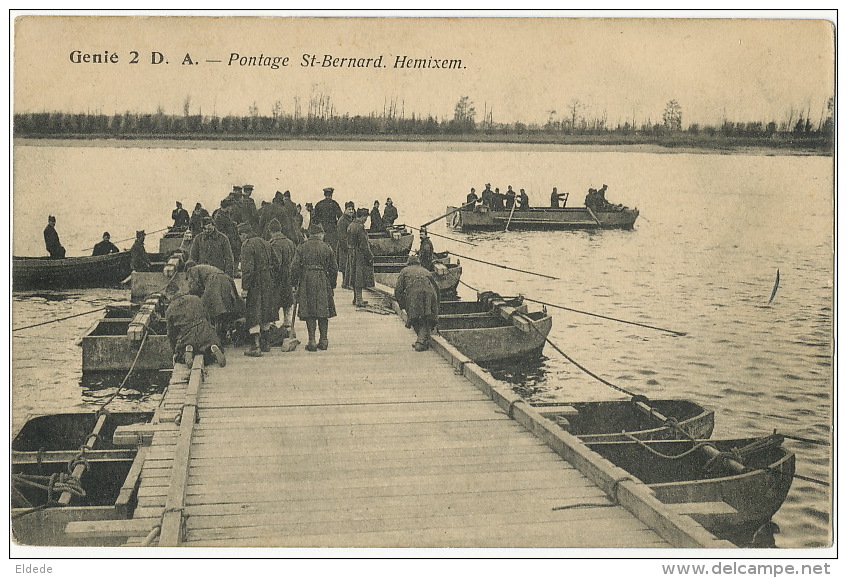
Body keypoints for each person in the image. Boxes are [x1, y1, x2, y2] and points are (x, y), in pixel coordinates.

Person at [291, 222, 338, 352]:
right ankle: (324, 340)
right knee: (324, 311)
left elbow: (294, 267)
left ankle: (311, 341)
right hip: (323, 279)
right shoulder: (327, 247)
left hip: (306, 280)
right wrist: (332, 285)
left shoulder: (302, 247)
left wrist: (294, 284)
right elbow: (334, 268)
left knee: (310, 312)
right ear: (320, 234)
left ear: (310, 234)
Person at [185, 261, 245, 344]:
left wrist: (188, 295)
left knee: (210, 310)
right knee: (223, 311)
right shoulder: (206, 268)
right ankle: (222, 337)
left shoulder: (192, 269)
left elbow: (194, 287)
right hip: (226, 280)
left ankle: (215, 339)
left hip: (215, 282)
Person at [240, 226, 279, 356]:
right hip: (268, 280)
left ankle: (255, 346)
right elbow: (276, 263)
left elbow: (247, 269)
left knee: (254, 313)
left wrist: (245, 287)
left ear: (244, 234)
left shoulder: (247, 245)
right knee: (266, 311)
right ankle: (266, 344)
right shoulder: (266, 243)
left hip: (255, 281)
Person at [165, 289, 227, 367]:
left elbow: (171, 334)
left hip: (187, 336)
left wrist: (175, 350)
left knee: (180, 355)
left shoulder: (170, 308)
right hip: (205, 331)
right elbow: (207, 315)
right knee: (207, 350)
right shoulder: (195, 298)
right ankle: (212, 347)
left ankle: (187, 349)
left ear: (169, 295)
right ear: (179, 290)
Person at [394, 253, 440, 352]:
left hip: (413, 297)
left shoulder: (404, 271)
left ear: (408, 263)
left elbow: (398, 290)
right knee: (426, 318)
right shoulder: (426, 271)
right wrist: (436, 306)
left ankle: (420, 343)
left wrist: (402, 305)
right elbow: (436, 289)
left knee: (415, 318)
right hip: (430, 295)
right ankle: (423, 341)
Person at [267, 218, 297, 330]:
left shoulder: (274, 244)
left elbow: (276, 263)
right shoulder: (289, 242)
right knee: (288, 300)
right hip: (288, 275)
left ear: (270, 231)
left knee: (275, 300)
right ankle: (287, 322)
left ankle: (273, 323)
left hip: (278, 277)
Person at [346, 208, 375, 307]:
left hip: (352, 253)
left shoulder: (351, 225)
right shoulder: (360, 227)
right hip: (359, 255)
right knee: (359, 277)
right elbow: (364, 245)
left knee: (354, 276)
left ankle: (356, 298)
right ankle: (359, 300)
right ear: (362, 217)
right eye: (365, 217)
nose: (366, 219)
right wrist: (370, 256)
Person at [313, 187, 343, 254]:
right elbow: (340, 217)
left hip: (321, 232)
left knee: (321, 252)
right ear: (331, 194)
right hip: (332, 232)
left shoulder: (319, 204)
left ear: (324, 194)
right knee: (332, 252)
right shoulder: (335, 204)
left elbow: (314, 220)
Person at [212, 199, 242, 266]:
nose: (231, 208)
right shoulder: (219, 216)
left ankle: (234, 270)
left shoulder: (225, 214)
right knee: (230, 255)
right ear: (228, 206)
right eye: (230, 207)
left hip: (230, 238)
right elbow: (219, 230)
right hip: (227, 239)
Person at [335, 202, 355, 288]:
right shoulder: (342, 220)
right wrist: (347, 247)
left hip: (349, 245)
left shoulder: (350, 219)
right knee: (345, 266)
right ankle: (346, 283)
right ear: (345, 210)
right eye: (349, 209)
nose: (351, 211)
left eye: (352, 209)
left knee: (348, 265)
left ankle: (346, 283)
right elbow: (341, 235)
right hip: (344, 246)